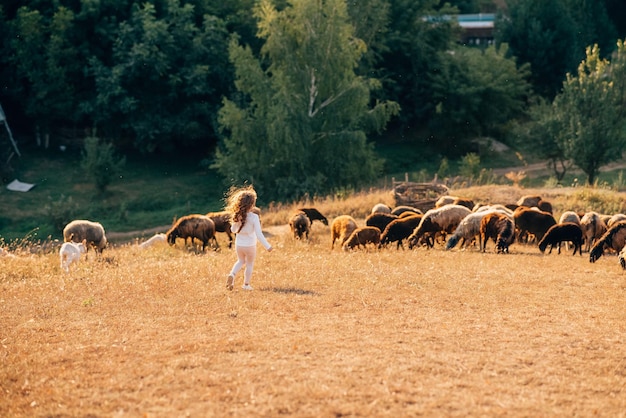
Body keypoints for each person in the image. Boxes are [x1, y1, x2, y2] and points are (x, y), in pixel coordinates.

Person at [225, 185, 273, 291]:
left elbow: (233, 230)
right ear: (251, 204)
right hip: (250, 245)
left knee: (240, 261)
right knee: (249, 264)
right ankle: (246, 285)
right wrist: (267, 246)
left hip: (239, 245)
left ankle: (232, 275)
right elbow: (259, 234)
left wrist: (237, 222)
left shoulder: (237, 216)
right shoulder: (254, 217)